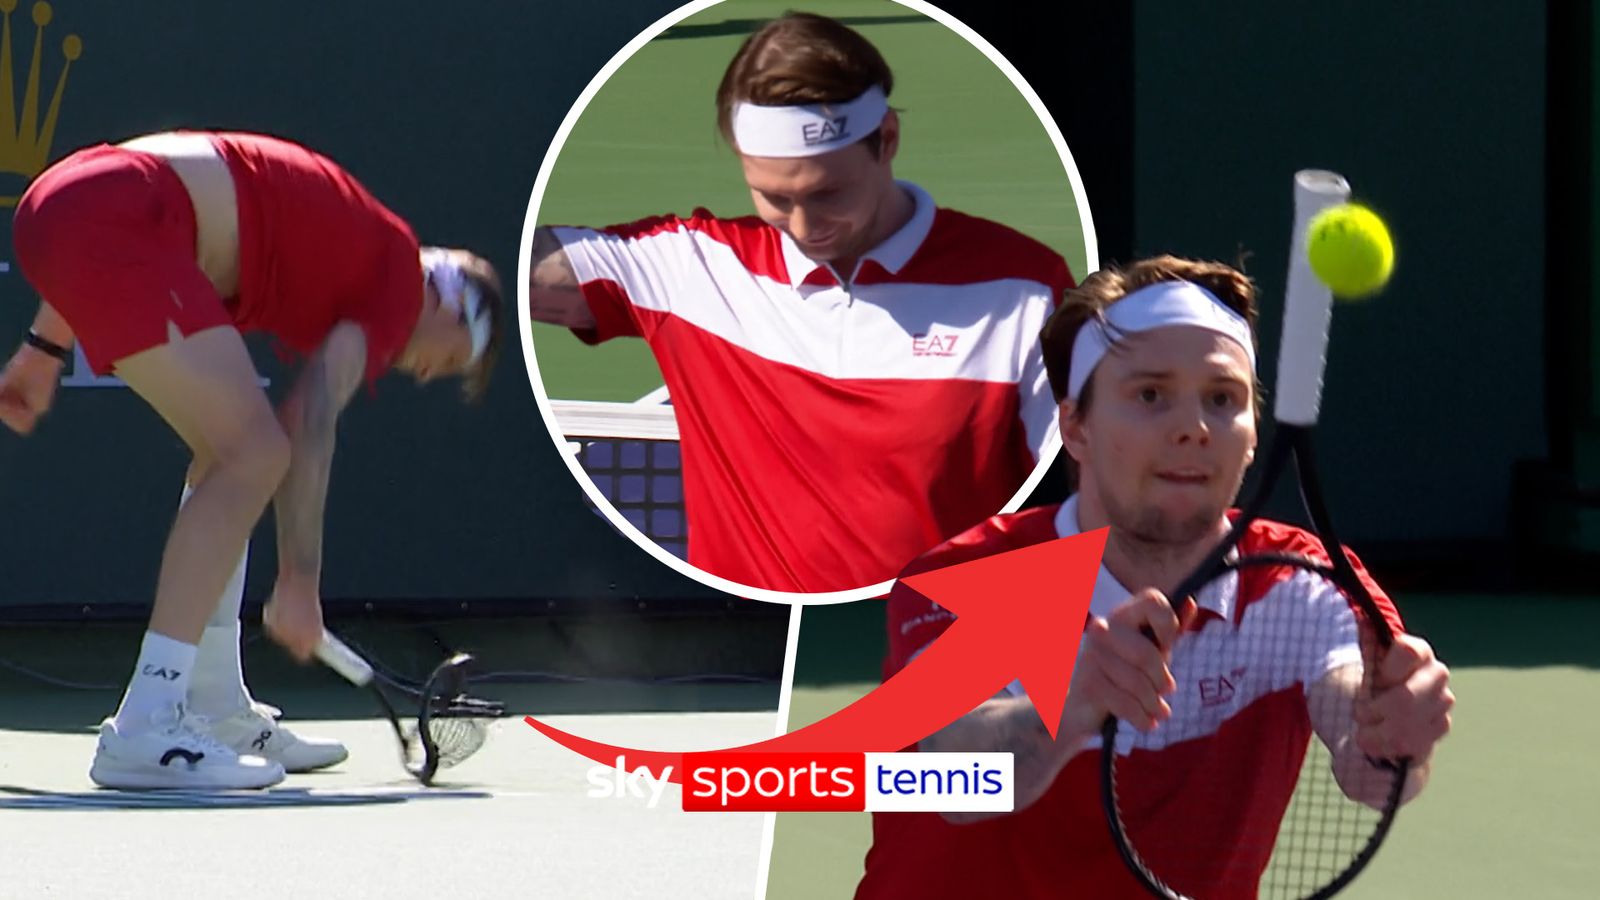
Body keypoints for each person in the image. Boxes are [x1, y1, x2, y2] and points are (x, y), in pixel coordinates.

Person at [855, 256, 1454, 897]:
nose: (1192, 429)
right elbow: (951, 777)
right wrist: (1075, 697)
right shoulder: (967, 576)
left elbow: (1371, 767)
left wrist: (1392, 731)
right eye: (1149, 395)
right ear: (1076, 427)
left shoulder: (1302, 586)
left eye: (1222, 399)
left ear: (1252, 437)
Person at [0, 130, 503, 790]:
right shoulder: (399, 280)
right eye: (457, 356)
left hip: (71, 205)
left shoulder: (354, 259)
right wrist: (298, 580)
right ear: (449, 300)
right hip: (113, 214)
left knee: (228, 455)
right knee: (255, 451)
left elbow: (103, 198)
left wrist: (43, 347)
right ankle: (147, 725)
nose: (435, 373)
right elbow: (313, 417)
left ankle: (211, 702)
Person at [526, 12, 1074, 594]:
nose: (805, 226)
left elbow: (1077, 500)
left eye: (826, 193)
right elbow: (508, 266)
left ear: (886, 140)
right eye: (774, 197)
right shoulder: (688, 267)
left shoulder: (1024, 291)